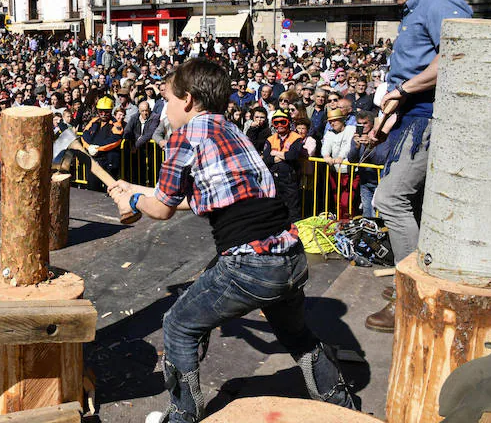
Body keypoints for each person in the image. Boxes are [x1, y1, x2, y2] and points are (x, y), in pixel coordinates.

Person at [107, 59, 355, 423]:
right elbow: (204, 198)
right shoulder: (233, 130)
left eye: (168, 101)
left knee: (178, 323)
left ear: (188, 100)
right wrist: (136, 189)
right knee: (295, 334)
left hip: (249, 263)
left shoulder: (185, 135)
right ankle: (343, 404)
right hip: (288, 253)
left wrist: (130, 201)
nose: (165, 110)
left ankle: (182, 417)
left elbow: (160, 210)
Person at [366, 0, 472, 333]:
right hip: (411, 116)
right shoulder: (415, 9)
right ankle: (418, 289)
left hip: (429, 118)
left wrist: (405, 89)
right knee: (417, 205)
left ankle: (410, 299)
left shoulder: (440, 3)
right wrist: (386, 119)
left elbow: (458, 55)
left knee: (390, 199)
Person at [263, 110, 305, 222]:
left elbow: (293, 155)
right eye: (276, 123)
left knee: (293, 210)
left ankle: (296, 235)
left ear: (288, 122)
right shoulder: (270, 139)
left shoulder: (296, 137)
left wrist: (276, 153)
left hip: (289, 179)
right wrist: (283, 156)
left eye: (283, 122)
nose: (280, 125)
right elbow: (267, 159)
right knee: (276, 208)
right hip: (274, 178)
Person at [80, 96, 124, 191]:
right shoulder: (94, 121)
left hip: (109, 161)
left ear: (111, 111)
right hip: (95, 160)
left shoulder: (116, 124)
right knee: (92, 188)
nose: (103, 114)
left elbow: (115, 140)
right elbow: (85, 134)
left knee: (111, 190)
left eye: (106, 112)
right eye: (101, 111)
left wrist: (97, 148)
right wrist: (89, 146)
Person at [320, 108, 356, 218]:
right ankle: (339, 223)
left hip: (349, 171)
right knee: (337, 199)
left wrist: (341, 157)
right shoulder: (329, 133)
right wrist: (326, 155)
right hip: (335, 170)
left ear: (342, 120)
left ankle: (347, 223)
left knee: (347, 201)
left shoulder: (351, 129)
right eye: (330, 121)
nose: (332, 123)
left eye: (335, 120)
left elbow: (349, 146)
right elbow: (326, 146)